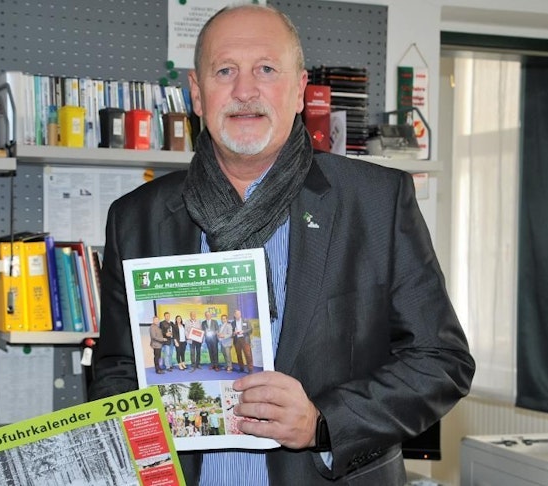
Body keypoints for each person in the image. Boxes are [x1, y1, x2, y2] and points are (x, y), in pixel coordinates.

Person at [88, 4, 474, 485]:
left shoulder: (377, 202)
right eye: (225, 70)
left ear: (298, 90)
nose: (244, 90)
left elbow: (442, 362)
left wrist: (323, 421)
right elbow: (118, 370)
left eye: (266, 69)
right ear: (196, 94)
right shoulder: (136, 218)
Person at [231, 309, 253, 373]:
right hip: (236, 340)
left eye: (239, 314)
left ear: (240, 314)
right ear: (234, 315)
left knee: (248, 355)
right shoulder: (232, 323)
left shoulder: (246, 321)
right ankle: (241, 367)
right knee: (239, 355)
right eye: (236, 314)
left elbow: (250, 330)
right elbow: (231, 333)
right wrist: (234, 333)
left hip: (245, 339)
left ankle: (250, 369)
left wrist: (243, 331)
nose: (238, 315)